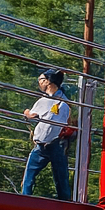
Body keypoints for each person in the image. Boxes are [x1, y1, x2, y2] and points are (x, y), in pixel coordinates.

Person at [21, 68, 72, 201]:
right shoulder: (61, 102)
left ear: (48, 82)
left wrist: (26, 112)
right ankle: (64, 202)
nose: (39, 83)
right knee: (59, 176)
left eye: (41, 80)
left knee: (31, 175)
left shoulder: (50, 101)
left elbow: (31, 115)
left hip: (48, 144)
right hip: (50, 144)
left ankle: (25, 199)